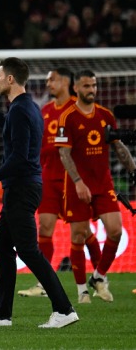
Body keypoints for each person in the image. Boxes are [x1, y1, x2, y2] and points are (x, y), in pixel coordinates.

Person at [0, 57, 78, 329]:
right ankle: (2, 313)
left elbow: (19, 158)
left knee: (29, 251)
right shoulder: (25, 107)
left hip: (21, 187)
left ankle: (64, 309)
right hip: (23, 187)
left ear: (10, 79)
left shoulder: (21, 110)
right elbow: (2, 121)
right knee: (2, 245)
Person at [17, 68, 101, 301]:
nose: (48, 84)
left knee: (83, 232)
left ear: (65, 81)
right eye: (47, 80)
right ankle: (43, 282)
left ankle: (100, 276)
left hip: (73, 180)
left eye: (52, 80)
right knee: (44, 227)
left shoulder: (78, 108)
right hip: (48, 178)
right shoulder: (44, 111)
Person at [56, 69, 136, 303]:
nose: (91, 90)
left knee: (116, 231)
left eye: (94, 86)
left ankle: (98, 277)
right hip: (77, 186)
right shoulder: (67, 117)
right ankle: (82, 291)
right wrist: (78, 182)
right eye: (86, 86)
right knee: (78, 235)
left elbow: (119, 147)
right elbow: (64, 154)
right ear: (76, 89)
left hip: (103, 184)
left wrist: (133, 171)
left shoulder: (105, 115)